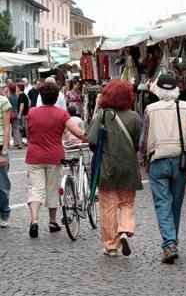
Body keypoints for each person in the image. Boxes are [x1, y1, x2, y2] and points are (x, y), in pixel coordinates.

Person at [139, 74, 186, 264]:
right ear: (175, 90)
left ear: (159, 90)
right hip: (179, 160)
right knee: (176, 203)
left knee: (162, 203)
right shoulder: (185, 107)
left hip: (158, 160)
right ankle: (172, 241)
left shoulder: (150, 109)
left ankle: (169, 243)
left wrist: (144, 157)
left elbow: (143, 140)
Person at [86, 80, 142, 257]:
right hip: (129, 167)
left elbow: (92, 140)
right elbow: (138, 142)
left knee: (108, 207)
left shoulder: (102, 115)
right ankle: (125, 230)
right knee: (127, 202)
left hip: (107, 166)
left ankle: (111, 246)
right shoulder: (134, 117)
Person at [25, 81, 86, 238]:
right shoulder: (62, 114)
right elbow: (78, 132)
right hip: (54, 155)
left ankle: (34, 220)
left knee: (35, 188)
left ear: (41, 96)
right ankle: (52, 222)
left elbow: (28, 133)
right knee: (52, 188)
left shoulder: (32, 112)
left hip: (34, 154)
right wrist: (92, 137)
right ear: (56, 97)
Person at [0, 91, 12, 228]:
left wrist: (4, 152)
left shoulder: (3, 101)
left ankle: (4, 214)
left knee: (2, 186)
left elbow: (7, 127)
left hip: (0, 147)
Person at [7, 84, 21, 149]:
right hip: (16, 113)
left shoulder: (9, 97)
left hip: (10, 114)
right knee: (16, 129)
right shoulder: (16, 96)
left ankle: (7, 144)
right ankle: (18, 143)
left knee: (7, 128)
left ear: (9, 89)